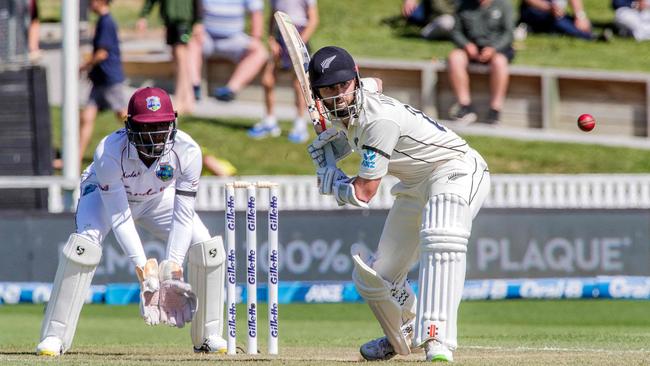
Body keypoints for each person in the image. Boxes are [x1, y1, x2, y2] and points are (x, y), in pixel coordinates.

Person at [306, 46, 490, 362]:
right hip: (414, 184)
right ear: (317, 93)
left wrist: (334, 182)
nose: (339, 96)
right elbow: (375, 83)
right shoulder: (358, 99)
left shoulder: (379, 122)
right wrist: (338, 142)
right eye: (329, 89)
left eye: (343, 86)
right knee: (378, 277)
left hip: (455, 168)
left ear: (354, 79)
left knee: (441, 236)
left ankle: (437, 341)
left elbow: (364, 192)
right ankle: (407, 329)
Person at [36, 87, 227, 356]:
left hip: (157, 199)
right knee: (84, 247)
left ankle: (209, 335)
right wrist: (143, 268)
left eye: (161, 126)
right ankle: (55, 336)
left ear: (173, 122)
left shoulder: (188, 151)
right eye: (147, 127)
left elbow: (182, 214)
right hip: (105, 198)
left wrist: (172, 267)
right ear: (129, 126)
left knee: (208, 249)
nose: (154, 136)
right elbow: (120, 216)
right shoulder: (109, 152)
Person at [248, 0, 319, 142]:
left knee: (299, 84)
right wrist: (272, 39)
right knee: (267, 80)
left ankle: (300, 124)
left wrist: (298, 42)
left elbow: (313, 20)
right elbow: (272, 18)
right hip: (280, 36)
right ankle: (269, 121)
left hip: (298, 35)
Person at [77, 0, 128, 168]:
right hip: (99, 80)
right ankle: (74, 159)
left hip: (110, 79)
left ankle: (145, 140)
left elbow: (102, 53)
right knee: (86, 117)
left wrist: (84, 65)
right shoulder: (102, 20)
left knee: (125, 117)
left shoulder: (106, 22)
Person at [447, 0, 514, 125]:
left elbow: (508, 34)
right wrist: (466, 45)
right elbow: (456, 32)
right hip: (471, 48)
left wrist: (494, 49)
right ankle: (465, 106)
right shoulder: (462, 5)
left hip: (497, 49)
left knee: (499, 62)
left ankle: (495, 110)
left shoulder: (504, 5)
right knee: (454, 57)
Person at [137, 0, 203, 115]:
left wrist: (198, 21)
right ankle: (188, 99)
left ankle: (180, 99)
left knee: (181, 58)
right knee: (177, 60)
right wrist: (144, 15)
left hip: (184, 21)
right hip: (170, 21)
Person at [195, 0, 268, 102]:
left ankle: (230, 90)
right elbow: (195, 8)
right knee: (191, 43)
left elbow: (256, 12)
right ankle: (194, 87)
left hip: (234, 39)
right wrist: (197, 25)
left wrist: (255, 38)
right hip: (207, 37)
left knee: (260, 52)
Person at [519, 0, 594, 40]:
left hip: (556, 14)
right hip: (536, 11)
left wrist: (580, 17)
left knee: (584, 25)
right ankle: (592, 37)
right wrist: (548, 8)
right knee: (561, 24)